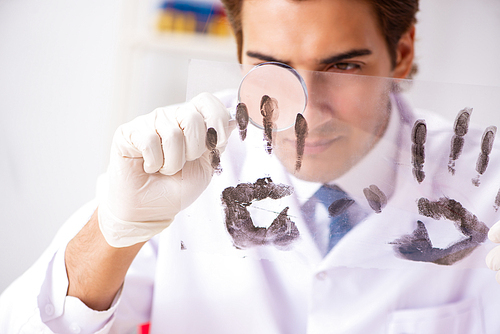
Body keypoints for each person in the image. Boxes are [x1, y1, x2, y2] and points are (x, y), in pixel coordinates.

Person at [3, 0, 500, 333]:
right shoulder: (183, 157)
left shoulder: (487, 183)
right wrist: (113, 233)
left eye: (343, 66)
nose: (306, 109)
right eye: (270, 67)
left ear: (402, 51)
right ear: (239, 53)